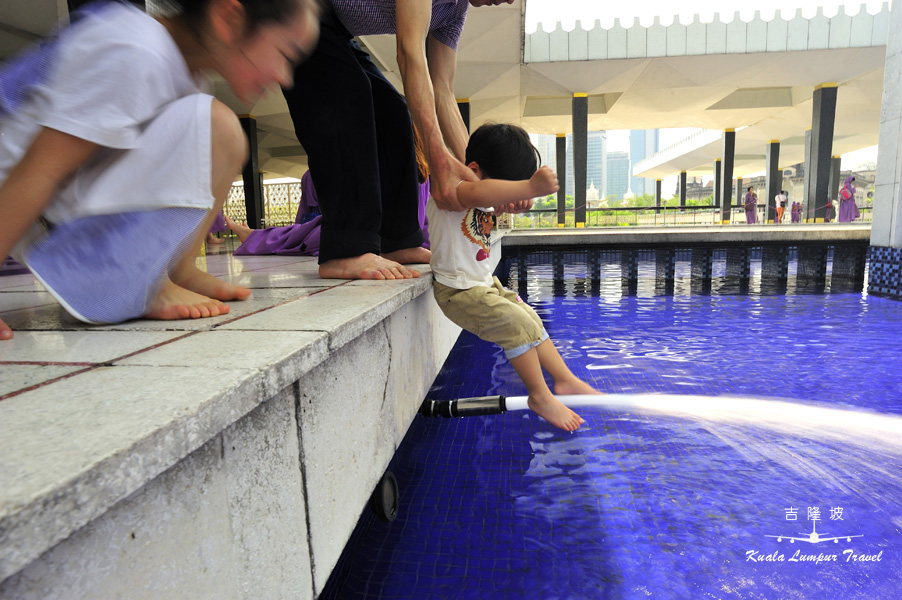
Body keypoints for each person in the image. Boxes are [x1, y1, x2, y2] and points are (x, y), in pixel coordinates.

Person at [0, 0, 320, 341]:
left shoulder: (186, 77)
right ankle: (134, 283)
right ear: (230, 18)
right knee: (217, 127)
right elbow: (40, 168)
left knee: (225, 137)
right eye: (285, 54)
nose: (284, 77)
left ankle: (179, 269)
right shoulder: (136, 49)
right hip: (15, 184)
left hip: (36, 189)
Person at [282, 0, 514, 282]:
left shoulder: (454, 11)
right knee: (345, 92)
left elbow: (443, 90)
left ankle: (396, 240)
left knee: (392, 111)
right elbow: (409, 53)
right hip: (297, 6)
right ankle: (346, 249)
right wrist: (439, 158)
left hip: (335, 26)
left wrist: (482, 175)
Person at [428, 123, 597, 432]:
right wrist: (529, 188)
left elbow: (495, 205)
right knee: (515, 326)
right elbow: (480, 191)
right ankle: (540, 396)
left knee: (529, 317)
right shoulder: (456, 190)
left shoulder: (486, 198)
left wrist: (518, 200)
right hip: (458, 291)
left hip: (483, 285)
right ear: (475, 169)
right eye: (508, 185)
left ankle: (565, 380)